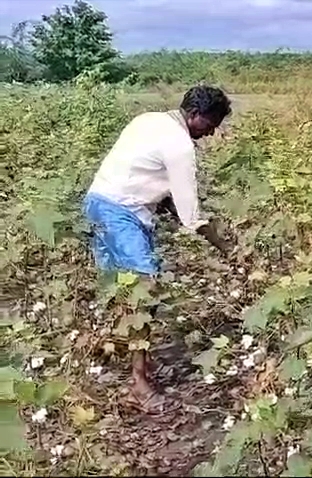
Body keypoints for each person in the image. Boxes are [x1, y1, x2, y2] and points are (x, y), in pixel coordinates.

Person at [82, 85, 233, 413]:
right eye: (210, 125)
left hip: (99, 203)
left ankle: (118, 357)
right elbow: (191, 217)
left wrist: (170, 205)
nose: (211, 134)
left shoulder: (148, 119)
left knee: (119, 290)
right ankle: (138, 385)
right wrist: (225, 248)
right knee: (144, 290)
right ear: (194, 116)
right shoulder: (180, 146)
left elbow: (143, 175)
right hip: (120, 213)